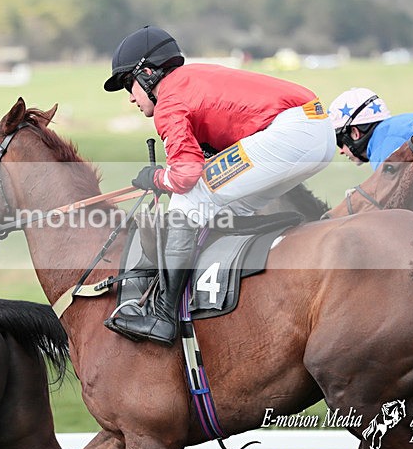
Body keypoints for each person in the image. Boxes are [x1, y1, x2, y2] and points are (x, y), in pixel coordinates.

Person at [102, 25, 336, 345]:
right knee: (223, 207)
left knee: (188, 200)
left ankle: (162, 316)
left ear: (147, 74)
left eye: (129, 84)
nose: (130, 97)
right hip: (315, 130)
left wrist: (155, 178)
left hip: (294, 133)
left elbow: (186, 176)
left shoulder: (169, 102)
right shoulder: (189, 80)